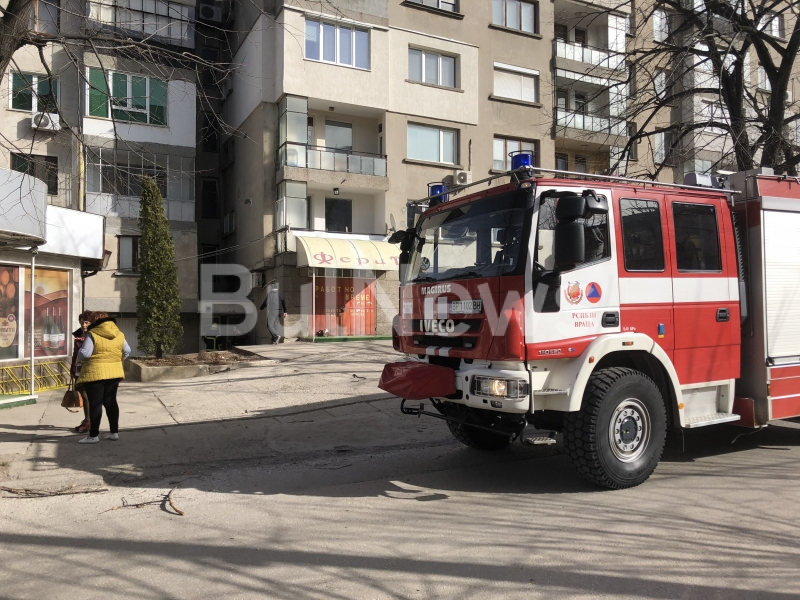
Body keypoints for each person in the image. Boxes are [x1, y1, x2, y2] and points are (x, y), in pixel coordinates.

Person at [76, 312, 131, 444]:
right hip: (114, 373)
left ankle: (93, 435)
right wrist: (117, 360)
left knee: (95, 404)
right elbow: (127, 350)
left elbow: (85, 353)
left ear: (95, 321)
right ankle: (114, 432)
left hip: (95, 373)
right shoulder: (119, 334)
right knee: (111, 402)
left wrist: (78, 356)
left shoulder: (93, 333)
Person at [71, 312, 92, 434]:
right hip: (79, 369)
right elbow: (75, 355)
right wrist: (72, 370)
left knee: (86, 395)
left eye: (86, 322)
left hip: (90, 369)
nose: (84, 325)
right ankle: (87, 420)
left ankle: (88, 421)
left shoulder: (93, 334)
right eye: (82, 322)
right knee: (83, 394)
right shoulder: (79, 334)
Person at [260, 279, 287, 344]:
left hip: (273, 311)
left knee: (269, 325)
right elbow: (284, 303)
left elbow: (266, 302)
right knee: (275, 325)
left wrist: (261, 308)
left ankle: (276, 336)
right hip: (280, 311)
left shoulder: (271, 294)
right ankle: (274, 340)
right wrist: (285, 311)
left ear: (271, 288)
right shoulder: (281, 294)